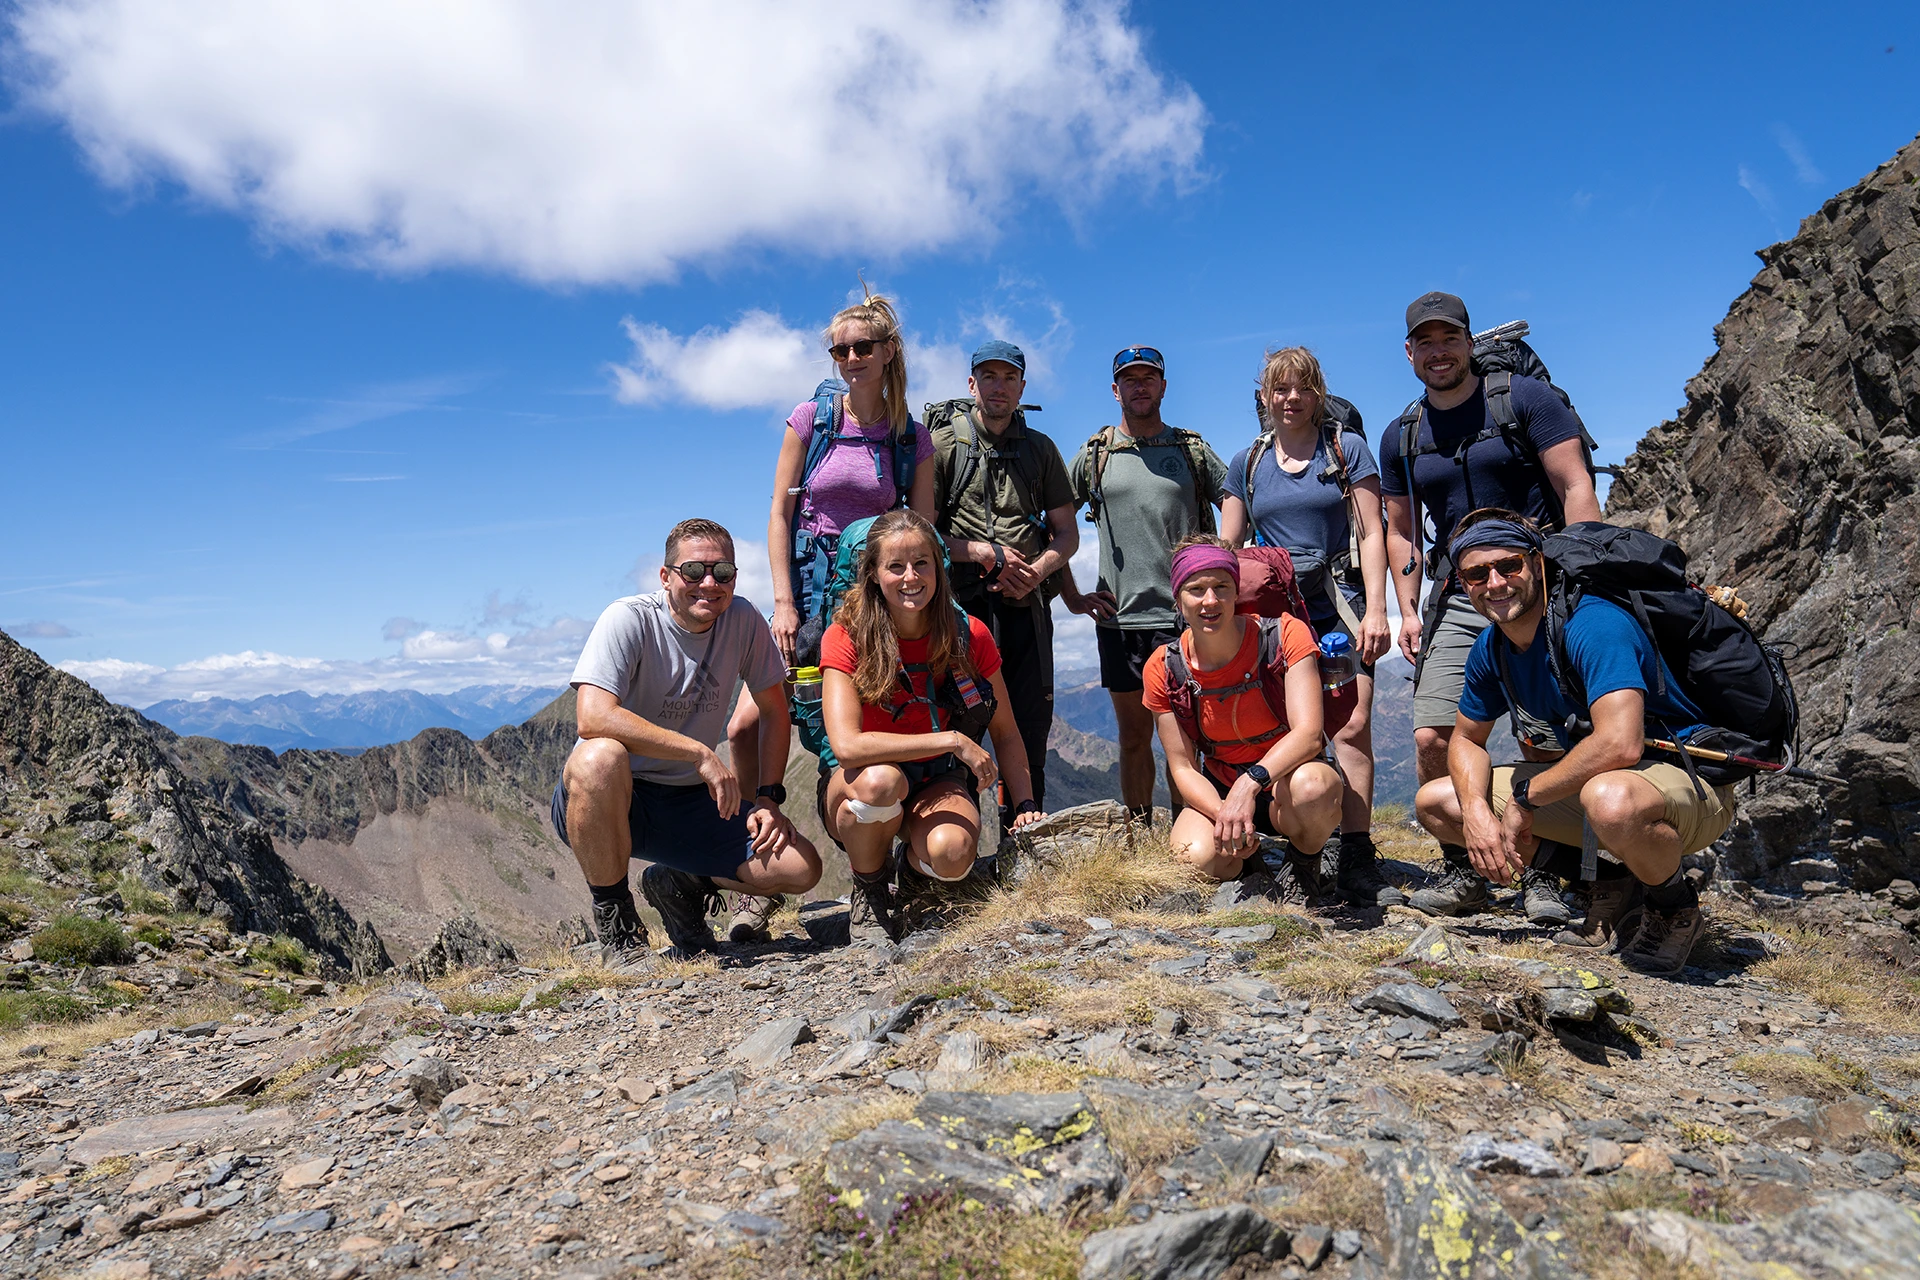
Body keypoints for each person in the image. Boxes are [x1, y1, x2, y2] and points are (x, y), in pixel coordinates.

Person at [1412, 511, 1730, 976]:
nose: (1495, 583)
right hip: (1606, 787)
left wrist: (1526, 797)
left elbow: (1620, 743)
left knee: (1610, 799)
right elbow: (1466, 739)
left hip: (1692, 785)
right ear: (1463, 583)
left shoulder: (1592, 625)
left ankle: (1674, 908)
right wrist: (1477, 812)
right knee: (1440, 802)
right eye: (1477, 574)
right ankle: (1611, 884)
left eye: (1509, 566)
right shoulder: (1492, 648)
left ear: (1537, 564)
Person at [1380, 292, 1601, 921]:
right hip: (1461, 591)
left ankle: (1548, 872)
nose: (1439, 352)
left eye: (1449, 338)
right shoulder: (1404, 434)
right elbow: (1401, 529)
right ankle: (1464, 865)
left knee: (1545, 731)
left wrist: (1584, 575)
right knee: (1433, 734)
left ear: (1469, 342)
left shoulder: (1526, 400)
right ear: (1409, 352)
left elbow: (1574, 484)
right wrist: (1408, 609)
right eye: (1426, 342)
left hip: (1539, 584)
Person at [725, 293, 936, 943]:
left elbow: (923, 528)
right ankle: (755, 870)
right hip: (811, 597)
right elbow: (780, 513)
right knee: (746, 725)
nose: (850, 358)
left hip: (875, 601)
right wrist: (783, 602)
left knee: (859, 725)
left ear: (889, 351)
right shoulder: (811, 420)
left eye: (862, 347)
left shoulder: (911, 438)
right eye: (839, 349)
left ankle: (879, 874)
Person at [552, 518, 822, 963]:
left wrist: (768, 799)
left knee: (801, 867)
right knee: (599, 757)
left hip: (687, 800)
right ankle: (618, 929)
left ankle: (679, 881)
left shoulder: (744, 620)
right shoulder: (629, 618)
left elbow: (774, 710)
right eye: (694, 571)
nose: (709, 584)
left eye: (723, 572)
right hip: (612, 797)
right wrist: (697, 752)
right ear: (666, 576)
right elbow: (592, 716)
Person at [1220, 346, 1400, 908]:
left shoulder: (1346, 451)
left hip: (1339, 608)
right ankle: (1307, 845)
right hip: (1275, 619)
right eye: (1280, 388)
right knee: (1289, 725)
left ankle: (1356, 854)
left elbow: (1371, 532)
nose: (1292, 398)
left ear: (1318, 393)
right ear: (1265, 396)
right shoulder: (1247, 463)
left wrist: (1378, 609)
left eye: (1302, 387)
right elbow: (1228, 546)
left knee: (1352, 724)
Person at [819, 510, 1046, 943]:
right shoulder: (846, 636)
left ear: (939, 568)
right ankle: (870, 887)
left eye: (921, 563)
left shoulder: (968, 635)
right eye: (895, 566)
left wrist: (1025, 805)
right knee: (881, 783)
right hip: (859, 782)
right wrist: (952, 740)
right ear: (873, 574)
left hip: (936, 779)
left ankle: (912, 875)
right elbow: (847, 746)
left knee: (953, 855)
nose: (911, 577)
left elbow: (1006, 731)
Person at [1064, 345, 1228, 823]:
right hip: (1119, 621)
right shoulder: (1096, 455)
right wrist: (1070, 594)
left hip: (1185, 619)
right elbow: (1053, 523)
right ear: (1116, 390)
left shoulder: (1190, 451)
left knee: (1187, 736)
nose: (1140, 386)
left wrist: (1228, 568)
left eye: (1148, 378)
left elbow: (1239, 499)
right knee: (1133, 736)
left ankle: (1188, 829)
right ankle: (1137, 833)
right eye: (1130, 379)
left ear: (1163, 386)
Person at [931, 339, 1079, 837]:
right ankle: (957, 842)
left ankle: (1026, 833)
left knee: (1030, 721)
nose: (999, 386)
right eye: (989, 377)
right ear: (971, 384)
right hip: (962, 611)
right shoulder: (944, 447)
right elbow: (922, 533)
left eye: (1009, 377)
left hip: (1027, 607)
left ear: (1022, 386)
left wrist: (1037, 571)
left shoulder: (1040, 449)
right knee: (964, 719)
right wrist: (981, 552)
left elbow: (1067, 534)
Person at [1143, 536, 1343, 894]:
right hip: (1220, 791)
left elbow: (1310, 734)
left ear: (1236, 591)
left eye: (1221, 587)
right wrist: (1224, 813)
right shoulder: (1164, 667)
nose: (1210, 600)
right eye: (1196, 589)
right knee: (1194, 859)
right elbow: (1183, 767)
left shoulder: (1285, 634)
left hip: (1286, 781)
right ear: (1178, 599)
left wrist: (1248, 785)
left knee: (1315, 788)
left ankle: (1303, 864)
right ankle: (1247, 861)